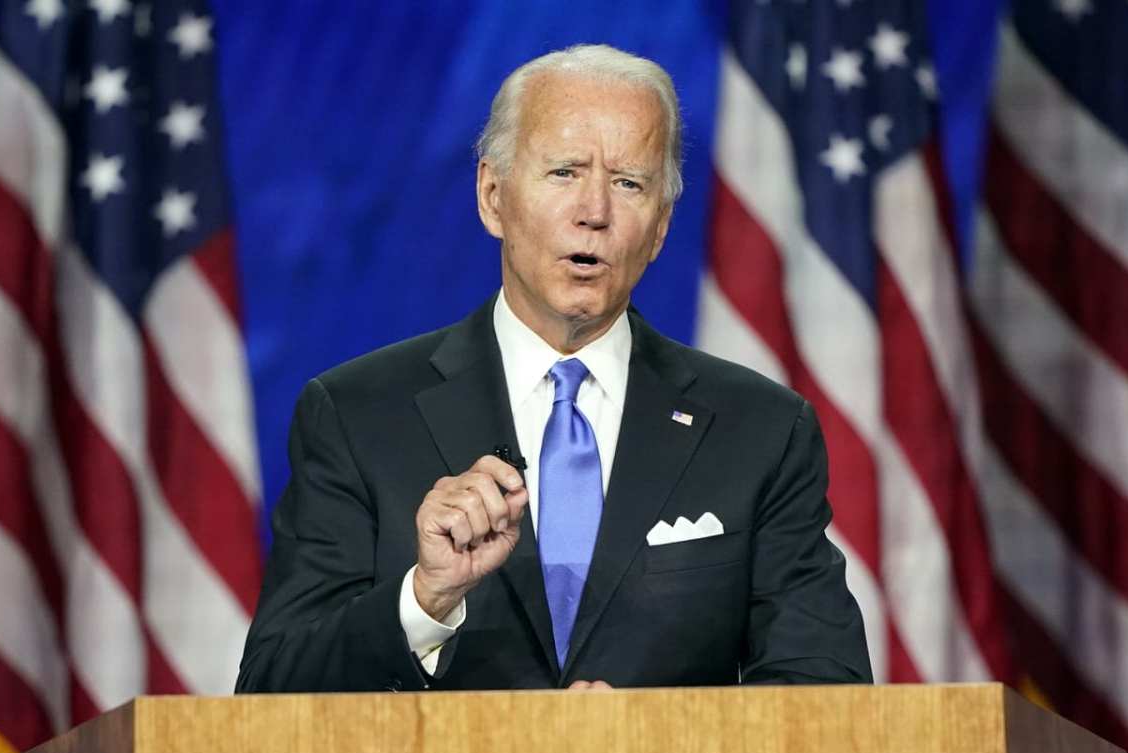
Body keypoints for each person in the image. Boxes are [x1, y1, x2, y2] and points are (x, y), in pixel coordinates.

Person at [236, 44, 871, 693]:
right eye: (565, 172)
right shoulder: (358, 415)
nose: (594, 211)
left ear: (658, 229)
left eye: (629, 183)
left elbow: (823, 691)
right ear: (492, 196)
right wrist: (424, 600)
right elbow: (271, 692)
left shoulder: (759, 429)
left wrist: (654, 746)